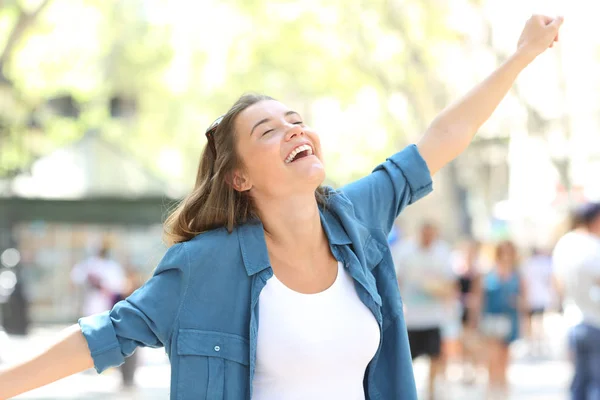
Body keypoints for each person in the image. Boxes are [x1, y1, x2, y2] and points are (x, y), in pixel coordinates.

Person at [0, 15, 563, 400]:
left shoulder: (356, 217)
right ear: (239, 176)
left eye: (296, 120)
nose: (295, 130)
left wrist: (523, 55)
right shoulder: (204, 265)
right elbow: (105, 335)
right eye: (268, 129)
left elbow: (444, 136)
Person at [393, 222, 455, 399]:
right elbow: (397, 279)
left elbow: (450, 284)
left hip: (433, 316)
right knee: (408, 359)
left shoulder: (442, 252)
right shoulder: (405, 251)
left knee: (435, 357)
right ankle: (407, 390)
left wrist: (440, 291)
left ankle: (431, 392)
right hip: (411, 317)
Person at [553, 203, 600, 399]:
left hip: (572, 320)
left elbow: (557, 284)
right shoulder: (592, 246)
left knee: (579, 382)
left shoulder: (564, 243)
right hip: (594, 320)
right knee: (595, 383)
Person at [477, 240, 526, 399]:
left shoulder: (517, 275)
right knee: (492, 359)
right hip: (491, 319)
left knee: (504, 360)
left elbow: (525, 301)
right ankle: (491, 393)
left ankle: (503, 393)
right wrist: (475, 322)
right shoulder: (488, 273)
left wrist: (518, 303)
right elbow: (479, 299)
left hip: (509, 320)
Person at [455, 239, 483, 384]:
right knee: (463, 343)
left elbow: (478, 294)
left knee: (471, 342)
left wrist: (475, 314)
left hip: (471, 310)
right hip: (460, 310)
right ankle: (465, 370)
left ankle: (473, 370)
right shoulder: (459, 269)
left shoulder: (477, 272)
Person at [522, 247, 554, 357]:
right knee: (538, 321)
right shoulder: (545, 263)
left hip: (533, 297)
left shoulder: (530, 264)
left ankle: (534, 343)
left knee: (532, 321)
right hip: (540, 297)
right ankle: (537, 343)